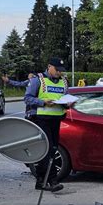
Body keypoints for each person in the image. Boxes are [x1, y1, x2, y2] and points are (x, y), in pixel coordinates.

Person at [24, 57, 73, 192]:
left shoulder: (64, 81)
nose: (59, 73)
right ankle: (52, 181)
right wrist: (43, 102)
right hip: (40, 119)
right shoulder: (37, 80)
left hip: (56, 119)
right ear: (49, 66)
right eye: (57, 70)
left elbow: (65, 97)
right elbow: (27, 98)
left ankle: (40, 181)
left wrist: (68, 104)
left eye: (61, 71)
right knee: (48, 149)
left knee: (52, 149)